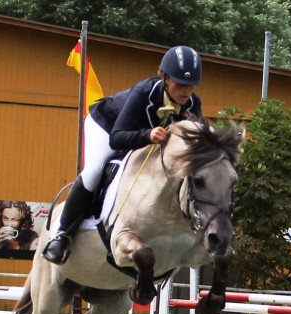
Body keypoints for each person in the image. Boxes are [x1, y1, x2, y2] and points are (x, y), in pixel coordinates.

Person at [43, 45, 203, 265]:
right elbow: (117, 138)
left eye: (191, 85)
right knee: (94, 170)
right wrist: (148, 135)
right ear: (164, 77)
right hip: (107, 126)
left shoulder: (194, 103)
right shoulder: (143, 93)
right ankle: (62, 235)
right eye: (180, 84)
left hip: (146, 144)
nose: (186, 91)